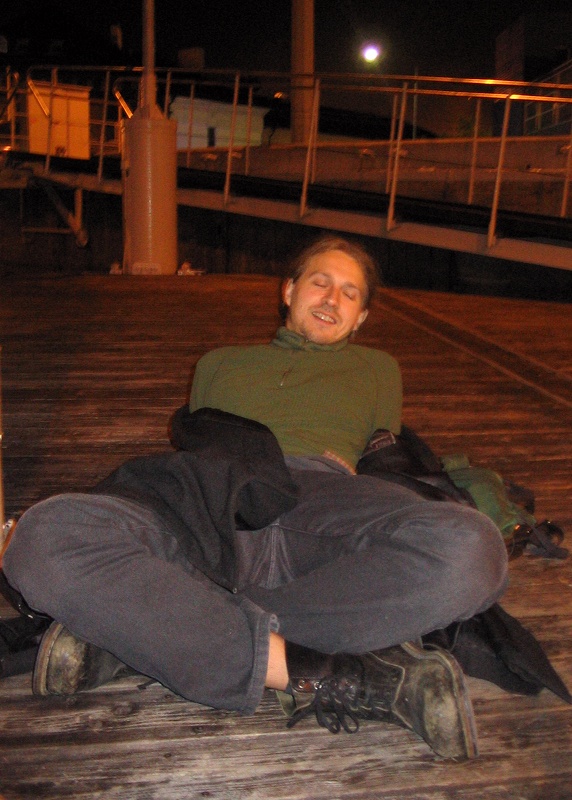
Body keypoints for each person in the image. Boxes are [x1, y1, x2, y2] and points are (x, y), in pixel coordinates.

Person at [1, 236, 508, 760]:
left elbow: (385, 446)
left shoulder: (379, 368)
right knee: (44, 534)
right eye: (320, 283)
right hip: (216, 493)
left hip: (324, 497)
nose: (332, 299)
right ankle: (320, 668)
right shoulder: (219, 363)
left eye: (350, 293)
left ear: (361, 318)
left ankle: (154, 634)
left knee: (473, 550)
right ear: (288, 291)